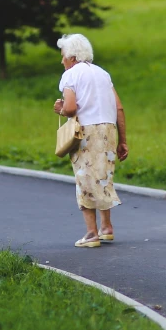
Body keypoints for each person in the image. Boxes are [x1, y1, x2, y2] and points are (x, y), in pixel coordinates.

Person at [53, 34, 128, 248]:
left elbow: (70, 108)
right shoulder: (103, 74)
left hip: (86, 132)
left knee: (84, 179)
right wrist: (123, 140)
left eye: (63, 56)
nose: (62, 61)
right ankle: (107, 228)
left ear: (72, 57)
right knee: (103, 177)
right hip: (108, 130)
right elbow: (119, 108)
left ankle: (91, 234)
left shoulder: (70, 75)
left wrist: (60, 109)